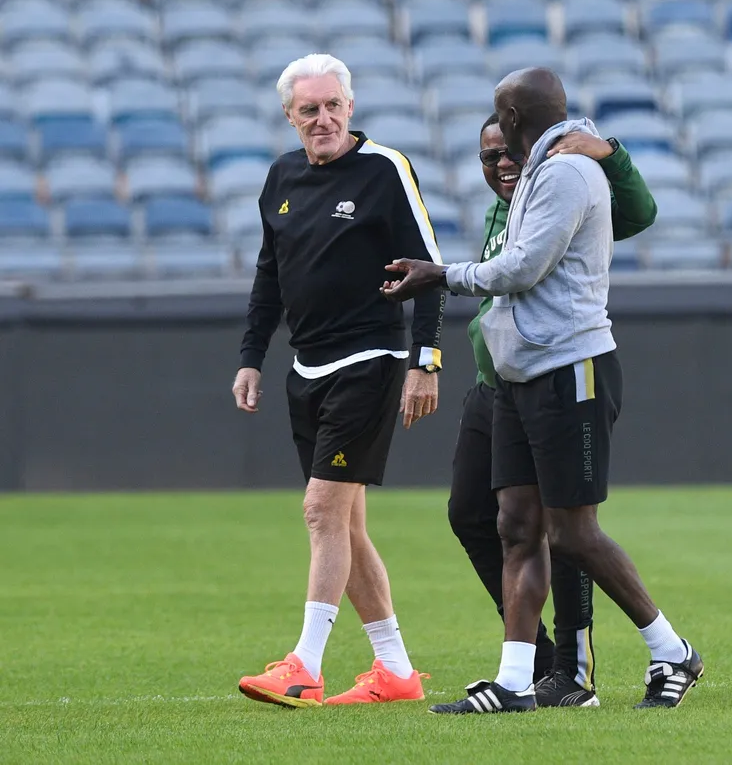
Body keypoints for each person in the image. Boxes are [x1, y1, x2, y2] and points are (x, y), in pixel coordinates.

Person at [382, 67, 704, 714]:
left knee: (574, 533)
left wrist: (441, 274)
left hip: (569, 367)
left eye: (501, 118)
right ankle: (515, 682)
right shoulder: (535, 173)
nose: (499, 147)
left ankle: (672, 651)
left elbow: (525, 267)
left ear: (513, 117)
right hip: (518, 375)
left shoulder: (566, 172)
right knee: (515, 526)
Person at [232, 53, 446, 709]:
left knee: (320, 510)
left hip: (370, 360)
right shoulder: (281, 176)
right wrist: (250, 356)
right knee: (346, 528)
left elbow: (428, 268)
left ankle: (305, 665)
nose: (322, 118)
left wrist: (425, 361)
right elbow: (269, 273)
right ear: (290, 117)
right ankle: (396, 671)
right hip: (307, 368)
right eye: (309, 110)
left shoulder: (385, 168)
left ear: (350, 108)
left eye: (332, 106)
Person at [447, 112, 657, 708]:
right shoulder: (501, 213)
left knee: (566, 529)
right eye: (488, 157)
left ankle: (572, 670)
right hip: (495, 385)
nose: (501, 164)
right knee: (475, 515)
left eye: (509, 152)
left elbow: (639, 213)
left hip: (551, 374)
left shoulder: (562, 192)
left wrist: (610, 153)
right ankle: (529, 664)